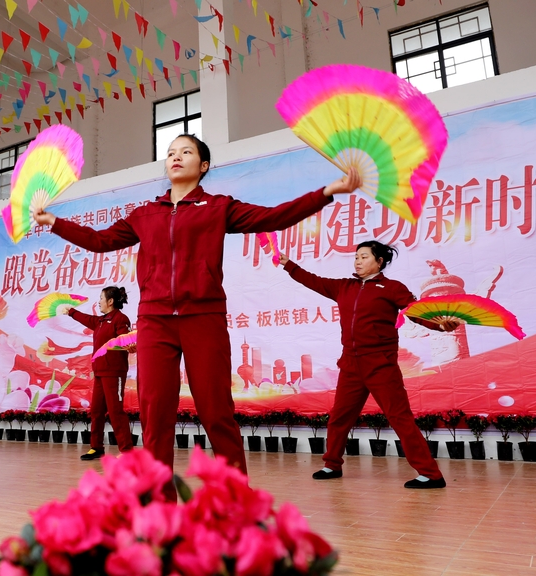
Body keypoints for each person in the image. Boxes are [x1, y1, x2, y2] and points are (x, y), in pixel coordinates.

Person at [34, 133, 359, 494]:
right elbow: (100, 241)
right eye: (171, 152)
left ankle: (235, 499)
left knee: (216, 412)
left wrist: (327, 192)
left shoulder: (218, 207)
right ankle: (161, 504)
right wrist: (55, 222)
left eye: (186, 152)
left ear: (203, 165)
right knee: (156, 415)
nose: (176, 157)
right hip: (155, 322)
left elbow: (273, 217)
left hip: (204, 318)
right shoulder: (145, 214)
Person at [277, 240, 462, 489]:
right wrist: (289, 264)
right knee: (339, 418)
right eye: (356, 257)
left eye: (364, 257)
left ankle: (431, 474)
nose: (358, 261)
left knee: (400, 418)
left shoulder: (392, 288)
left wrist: (439, 325)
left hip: (380, 365)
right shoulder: (343, 287)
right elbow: (312, 280)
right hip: (351, 366)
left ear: (379, 261)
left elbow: (416, 311)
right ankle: (332, 464)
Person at [66, 286, 133, 460]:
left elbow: (125, 340)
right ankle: (96, 447)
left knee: (115, 412)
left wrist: (127, 344)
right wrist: (71, 312)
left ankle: (127, 451)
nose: (99, 302)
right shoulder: (100, 321)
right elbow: (87, 319)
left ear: (110, 301)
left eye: (101, 298)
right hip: (100, 372)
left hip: (114, 372)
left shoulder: (120, 319)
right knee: (96, 411)